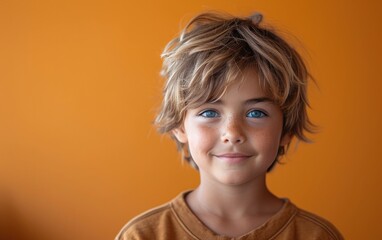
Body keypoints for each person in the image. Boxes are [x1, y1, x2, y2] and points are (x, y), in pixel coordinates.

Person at [115, 11, 343, 240]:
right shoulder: (143, 235)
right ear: (180, 126)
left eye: (256, 113)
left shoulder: (316, 236)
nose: (232, 133)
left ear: (286, 130)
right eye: (209, 112)